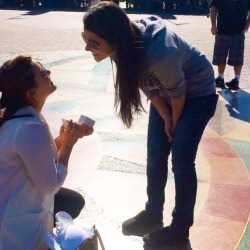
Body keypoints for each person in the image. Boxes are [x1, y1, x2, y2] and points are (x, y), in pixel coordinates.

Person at [82, 1, 218, 248]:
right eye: (85, 39)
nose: (87, 47)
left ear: (114, 36)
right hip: (170, 94)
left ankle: (179, 230)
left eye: (93, 42)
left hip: (197, 94)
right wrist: (165, 118)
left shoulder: (159, 51)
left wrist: (174, 124)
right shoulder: (119, 48)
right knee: (155, 154)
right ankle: (153, 212)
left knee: (181, 160)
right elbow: (148, 84)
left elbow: (178, 93)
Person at [0, 55, 93, 250]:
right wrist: (68, 146)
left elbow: (35, 158)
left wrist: (63, 139)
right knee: (71, 203)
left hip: (13, 206)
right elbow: (50, 186)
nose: (48, 73)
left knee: (73, 202)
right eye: (43, 73)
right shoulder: (28, 126)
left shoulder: (18, 116)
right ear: (31, 92)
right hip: (15, 226)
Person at [210, 0, 250, 90]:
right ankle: (220, 78)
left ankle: (236, 80)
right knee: (220, 55)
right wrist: (213, 26)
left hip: (238, 31)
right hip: (222, 30)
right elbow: (213, 9)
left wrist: (247, 24)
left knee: (237, 57)